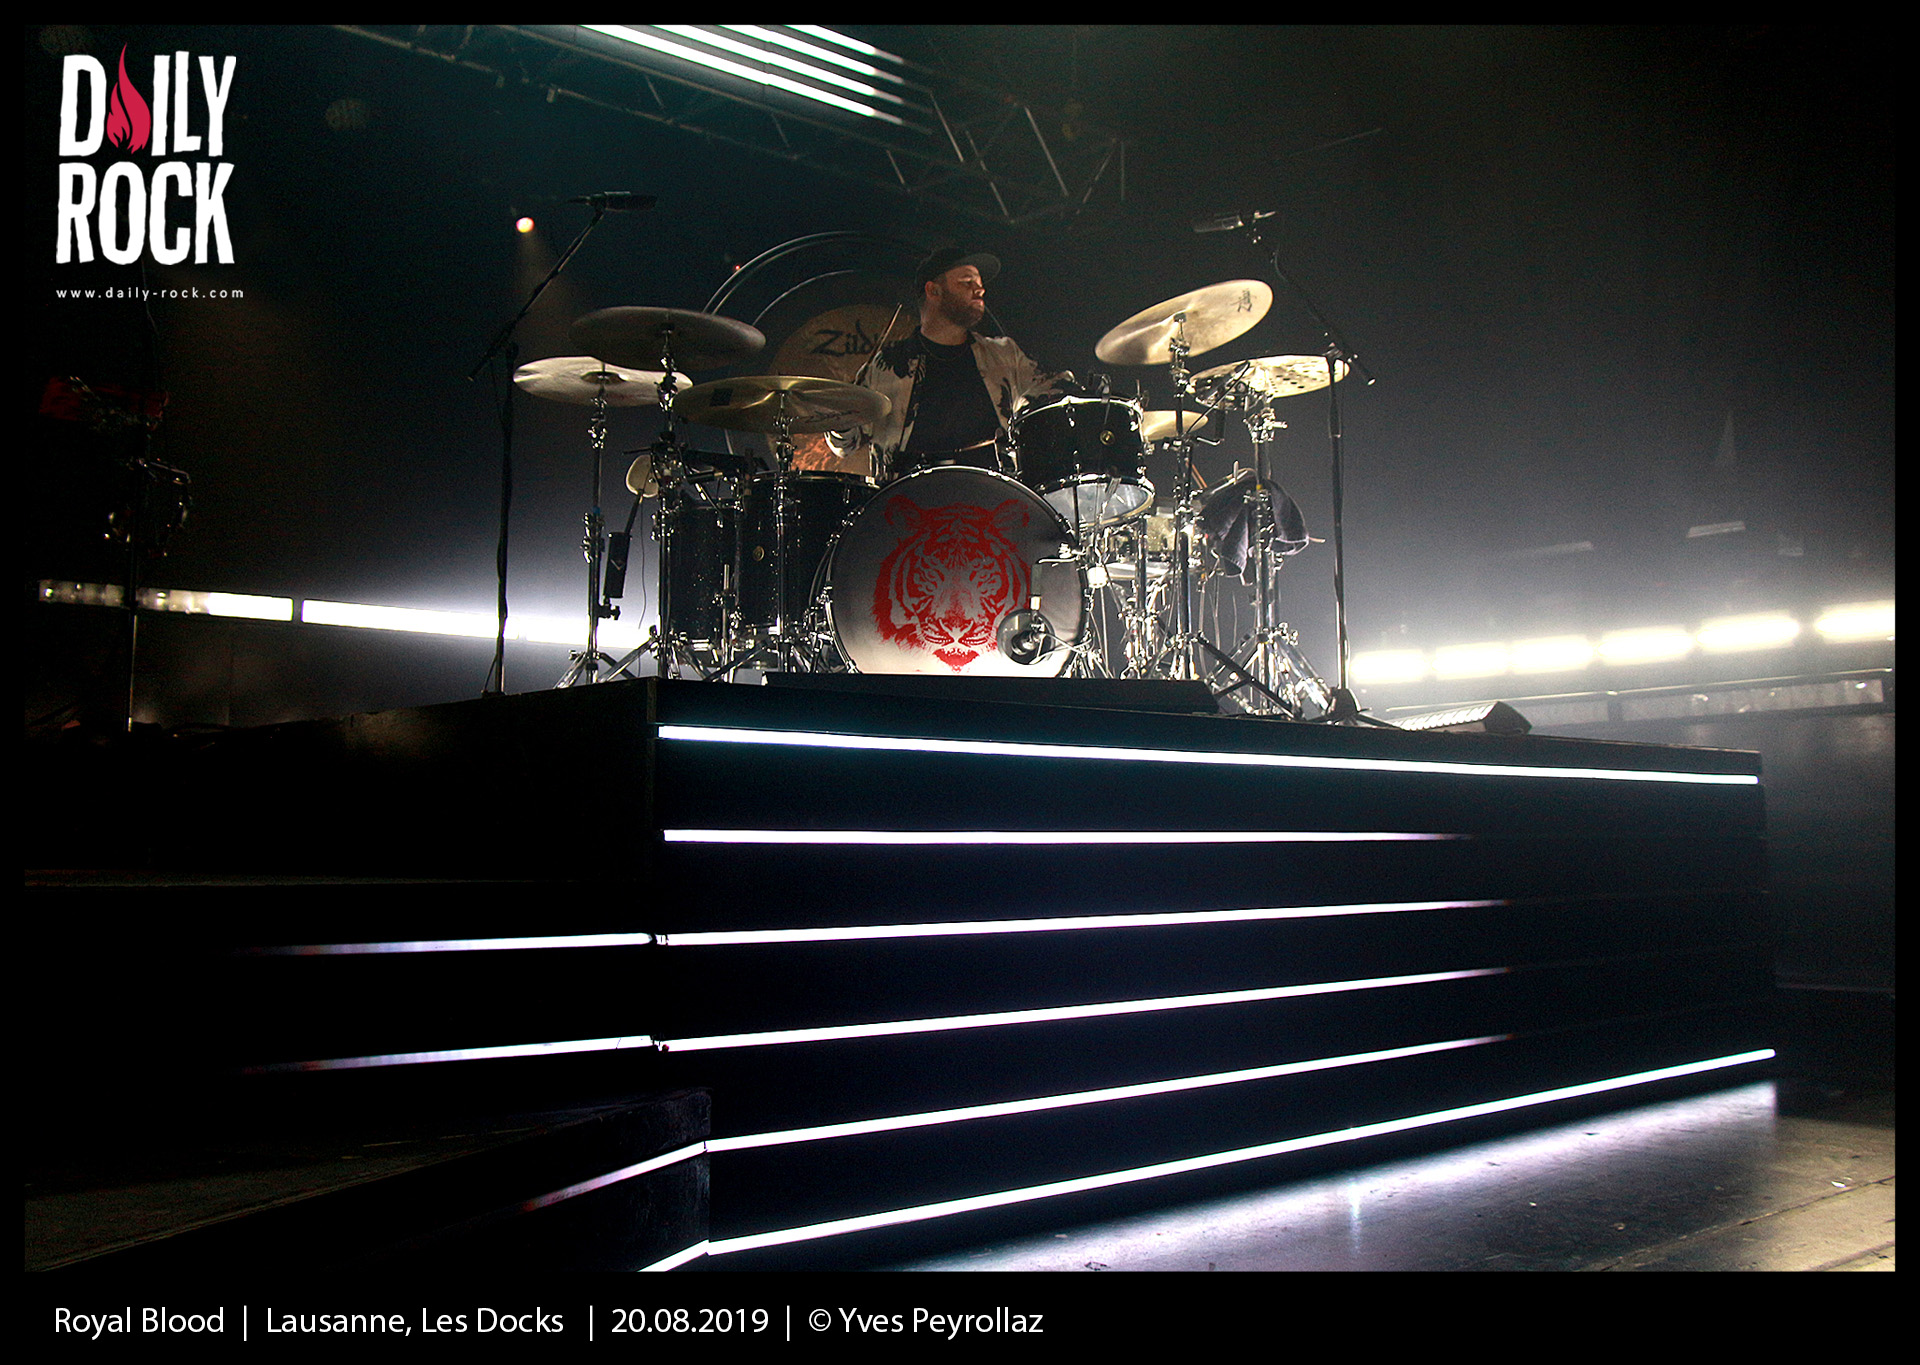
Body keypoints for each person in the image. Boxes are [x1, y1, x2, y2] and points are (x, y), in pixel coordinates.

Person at [826, 248, 1071, 481]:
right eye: (967, 282)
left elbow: (1054, 389)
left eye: (979, 283)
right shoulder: (889, 364)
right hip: (909, 502)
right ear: (934, 291)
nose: (980, 290)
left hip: (992, 499)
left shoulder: (1003, 354)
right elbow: (845, 445)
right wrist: (839, 414)